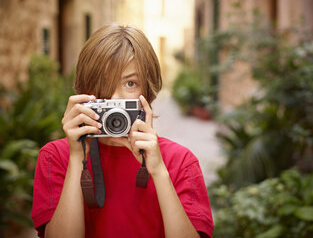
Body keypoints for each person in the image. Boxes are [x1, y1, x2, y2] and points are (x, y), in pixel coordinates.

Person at [31, 24, 214, 238]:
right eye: (103, 82)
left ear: (147, 90)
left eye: (130, 83)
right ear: (84, 90)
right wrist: (76, 159)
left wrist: (158, 170)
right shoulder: (55, 157)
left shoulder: (180, 161)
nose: (116, 99)